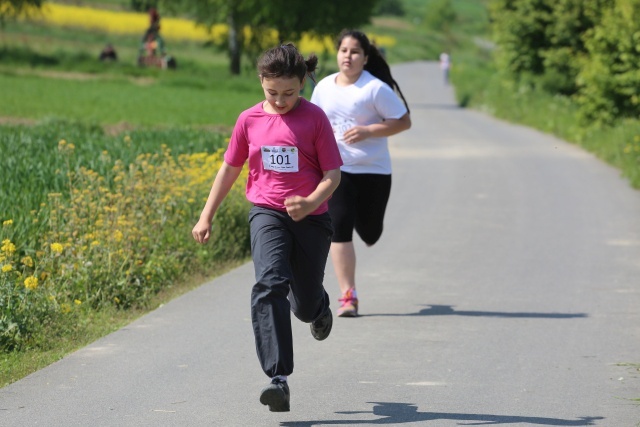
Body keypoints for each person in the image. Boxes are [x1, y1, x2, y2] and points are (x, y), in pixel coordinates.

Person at [192, 43, 343, 412]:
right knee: (268, 283)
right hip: (266, 212)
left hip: (311, 217)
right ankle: (278, 378)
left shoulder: (314, 119)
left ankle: (319, 307)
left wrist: (308, 203)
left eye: (289, 92)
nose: (280, 100)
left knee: (305, 306)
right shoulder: (249, 120)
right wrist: (206, 214)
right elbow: (230, 168)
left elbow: (332, 175)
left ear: (303, 84)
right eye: (272, 92)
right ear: (261, 82)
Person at [310, 30, 411, 318]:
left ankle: (367, 229)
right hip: (337, 170)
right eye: (343, 50)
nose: (348, 56)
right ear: (337, 54)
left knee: (370, 231)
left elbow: (403, 122)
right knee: (338, 229)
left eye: (355, 52)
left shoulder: (375, 89)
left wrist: (368, 131)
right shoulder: (325, 88)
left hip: (374, 170)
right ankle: (348, 296)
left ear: (365, 58)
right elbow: (313, 124)